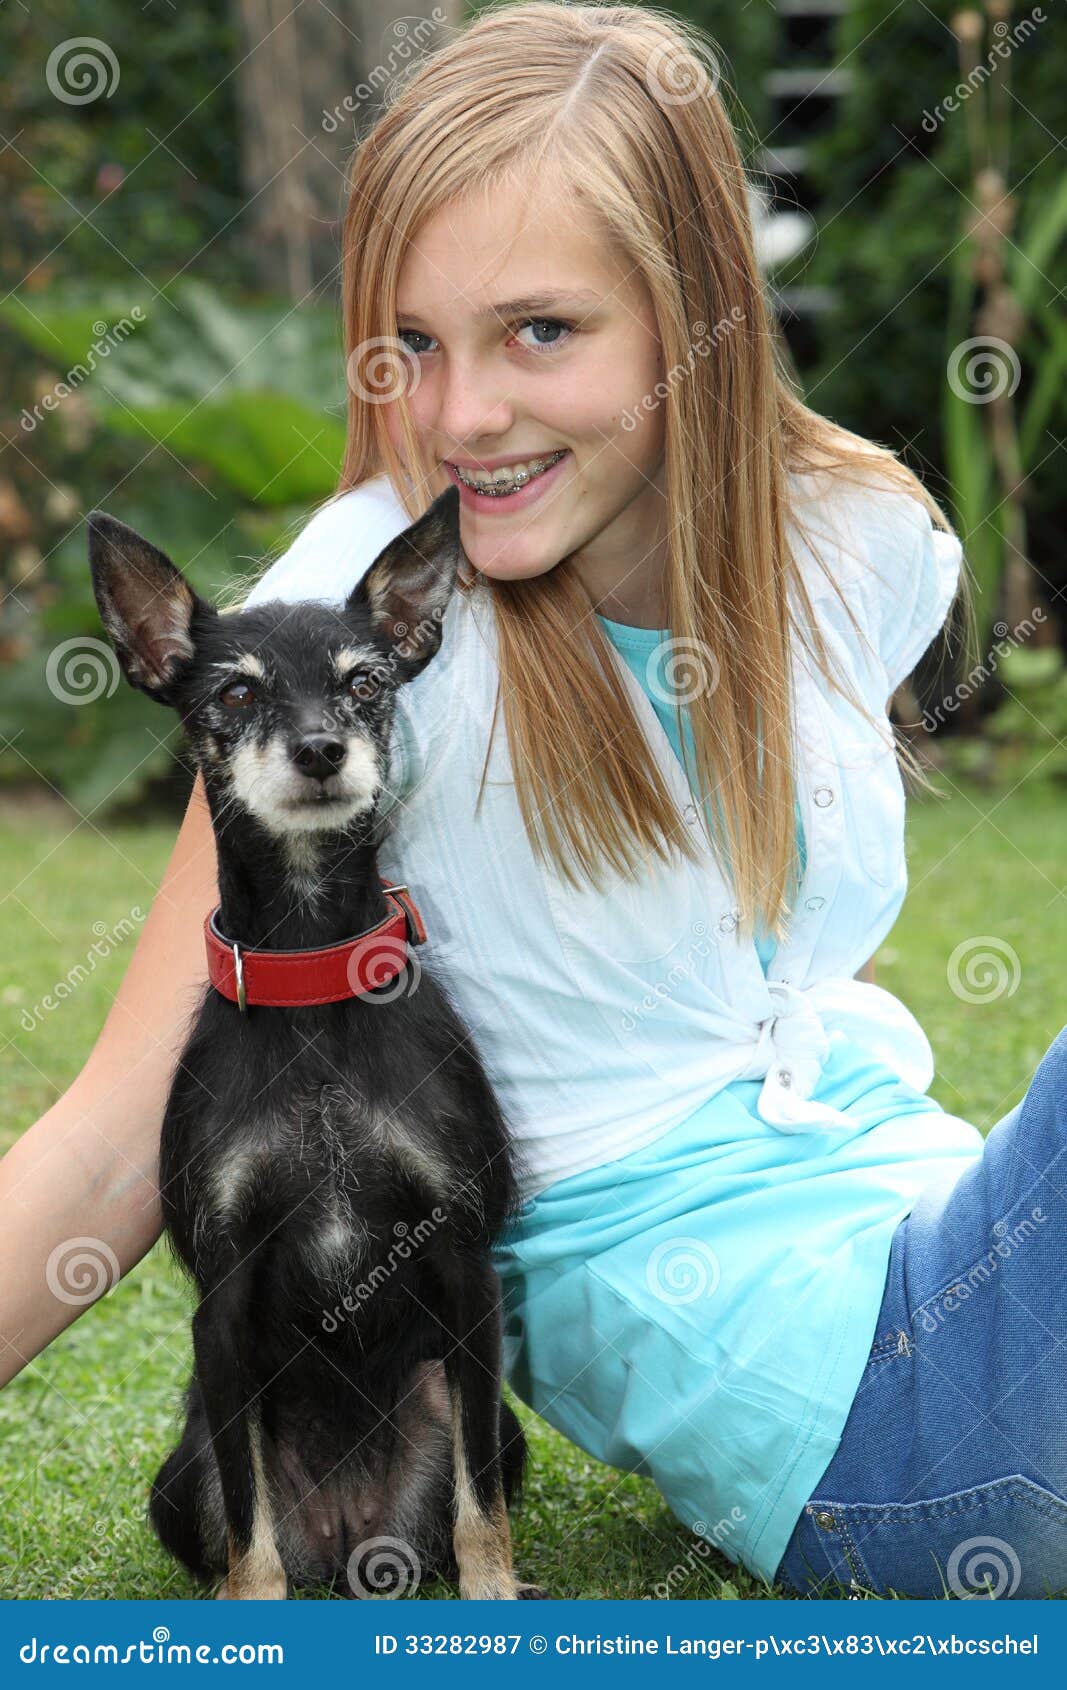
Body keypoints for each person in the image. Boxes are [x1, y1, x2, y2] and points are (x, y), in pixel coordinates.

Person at [3, 1, 1065, 1601]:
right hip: (869, 1419)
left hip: (942, 1228)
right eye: (415, 344)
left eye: (539, 333)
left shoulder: (856, 541)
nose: (462, 416)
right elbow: (112, 1139)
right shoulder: (362, 644)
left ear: (691, 313)